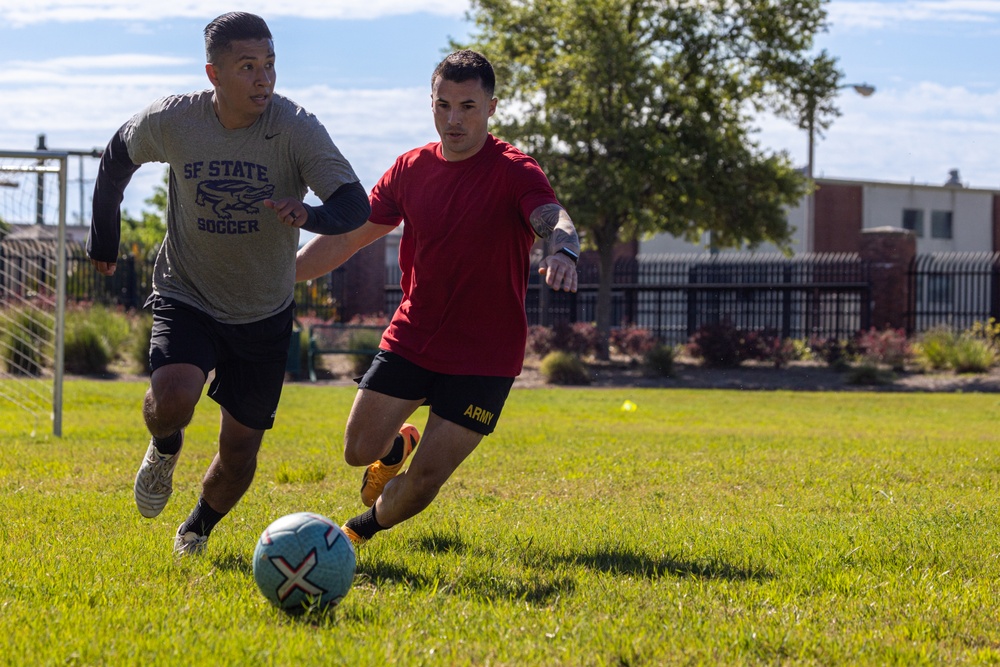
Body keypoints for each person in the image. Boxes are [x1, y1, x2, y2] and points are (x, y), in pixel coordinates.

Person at [86, 12, 370, 555]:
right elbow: (116, 155)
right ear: (214, 73)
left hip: (263, 309)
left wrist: (308, 214)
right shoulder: (176, 119)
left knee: (239, 452)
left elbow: (352, 205)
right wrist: (104, 237)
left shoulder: (296, 128)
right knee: (172, 398)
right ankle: (164, 448)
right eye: (248, 67)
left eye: (270, 66)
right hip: (187, 290)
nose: (263, 79)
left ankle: (196, 528)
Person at [295, 49, 580, 547]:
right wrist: (282, 277)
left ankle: (351, 537)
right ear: (431, 101)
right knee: (357, 450)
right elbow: (348, 236)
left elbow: (554, 217)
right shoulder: (410, 169)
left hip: (485, 357)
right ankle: (393, 448)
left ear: (491, 107)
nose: (453, 119)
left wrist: (565, 252)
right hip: (415, 335)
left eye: (468, 106)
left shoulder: (516, 171)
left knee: (425, 481)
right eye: (443, 104)